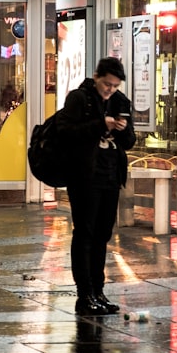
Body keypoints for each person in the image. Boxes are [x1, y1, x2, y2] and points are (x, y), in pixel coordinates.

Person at [59, 56, 136, 316]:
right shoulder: (79, 99)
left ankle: (98, 290)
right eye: (106, 84)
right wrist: (99, 125)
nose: (110, 90)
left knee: (103, 233)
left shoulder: (120, 101)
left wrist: (123, 129)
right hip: (84, 175)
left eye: (114, 86)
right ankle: (85, 294)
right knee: (85, 233)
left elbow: (130, 141)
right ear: (96, 76)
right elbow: (65, 132)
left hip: (110, 175)